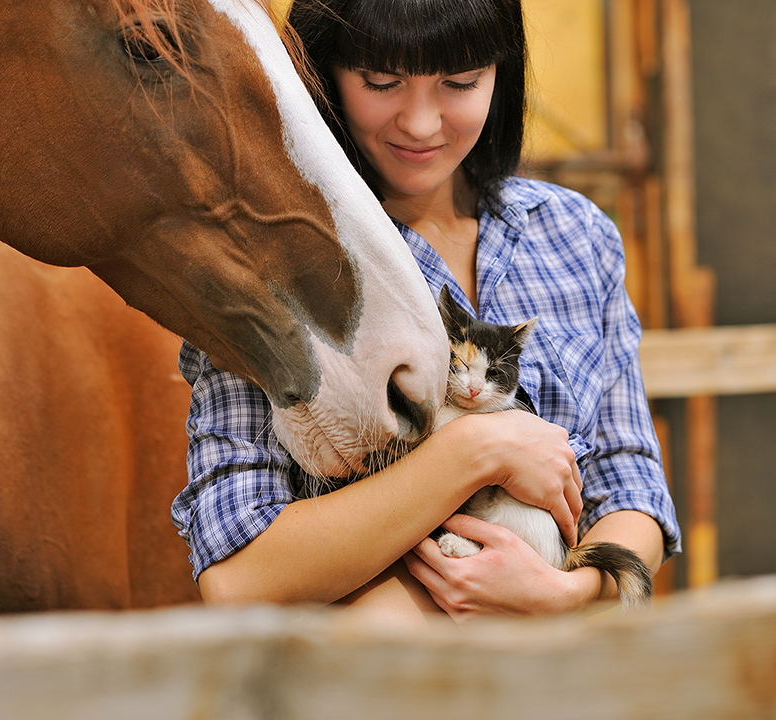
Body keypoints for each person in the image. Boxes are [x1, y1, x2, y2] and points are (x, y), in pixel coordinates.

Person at [171, 0, 680, 621]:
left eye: (460, 82)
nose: (419, 123)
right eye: (382, 82)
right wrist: (478, 451)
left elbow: (628, 483)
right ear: (321, 71)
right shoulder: (270, 257)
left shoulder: (575, 235)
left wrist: (566, 594)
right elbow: (240, 577)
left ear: (503, 72)